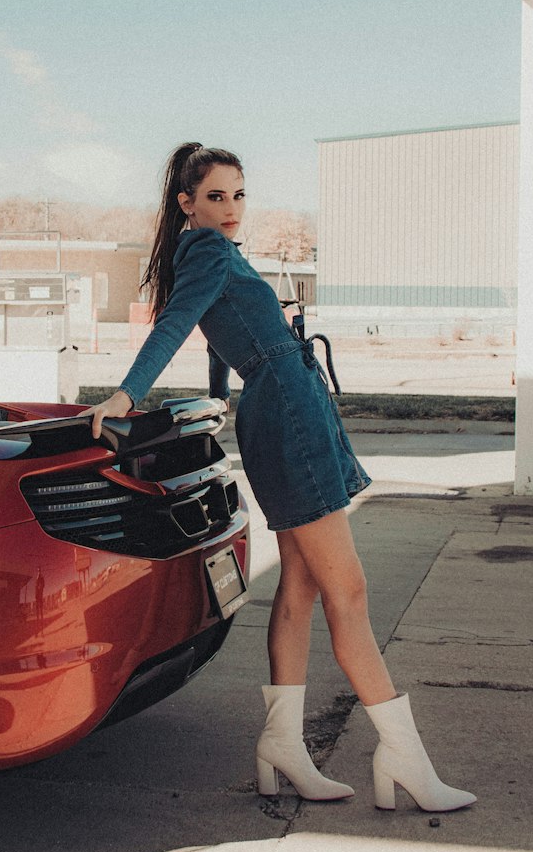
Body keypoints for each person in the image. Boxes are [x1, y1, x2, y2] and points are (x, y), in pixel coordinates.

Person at [86, 142, 475, 812]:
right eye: (215, 197)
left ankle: (283, 746)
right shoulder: (204, 250)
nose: (231, 209)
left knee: (299, 585)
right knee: (346, 590)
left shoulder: (214, 251)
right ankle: (403, 758)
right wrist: (126, 394)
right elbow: (174, 324)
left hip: (288, 407)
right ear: (186, 202)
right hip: (288, 413)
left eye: (238, 195)